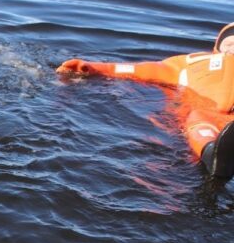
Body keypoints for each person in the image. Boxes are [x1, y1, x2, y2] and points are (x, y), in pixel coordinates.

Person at [56, 22, 234, 179]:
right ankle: (213, 155)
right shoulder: (189, 63)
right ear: (218, 47)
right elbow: (140, 70)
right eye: (230, 42)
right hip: (201, 113)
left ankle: (219, 154)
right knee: (199, 121)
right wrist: (92, 67)